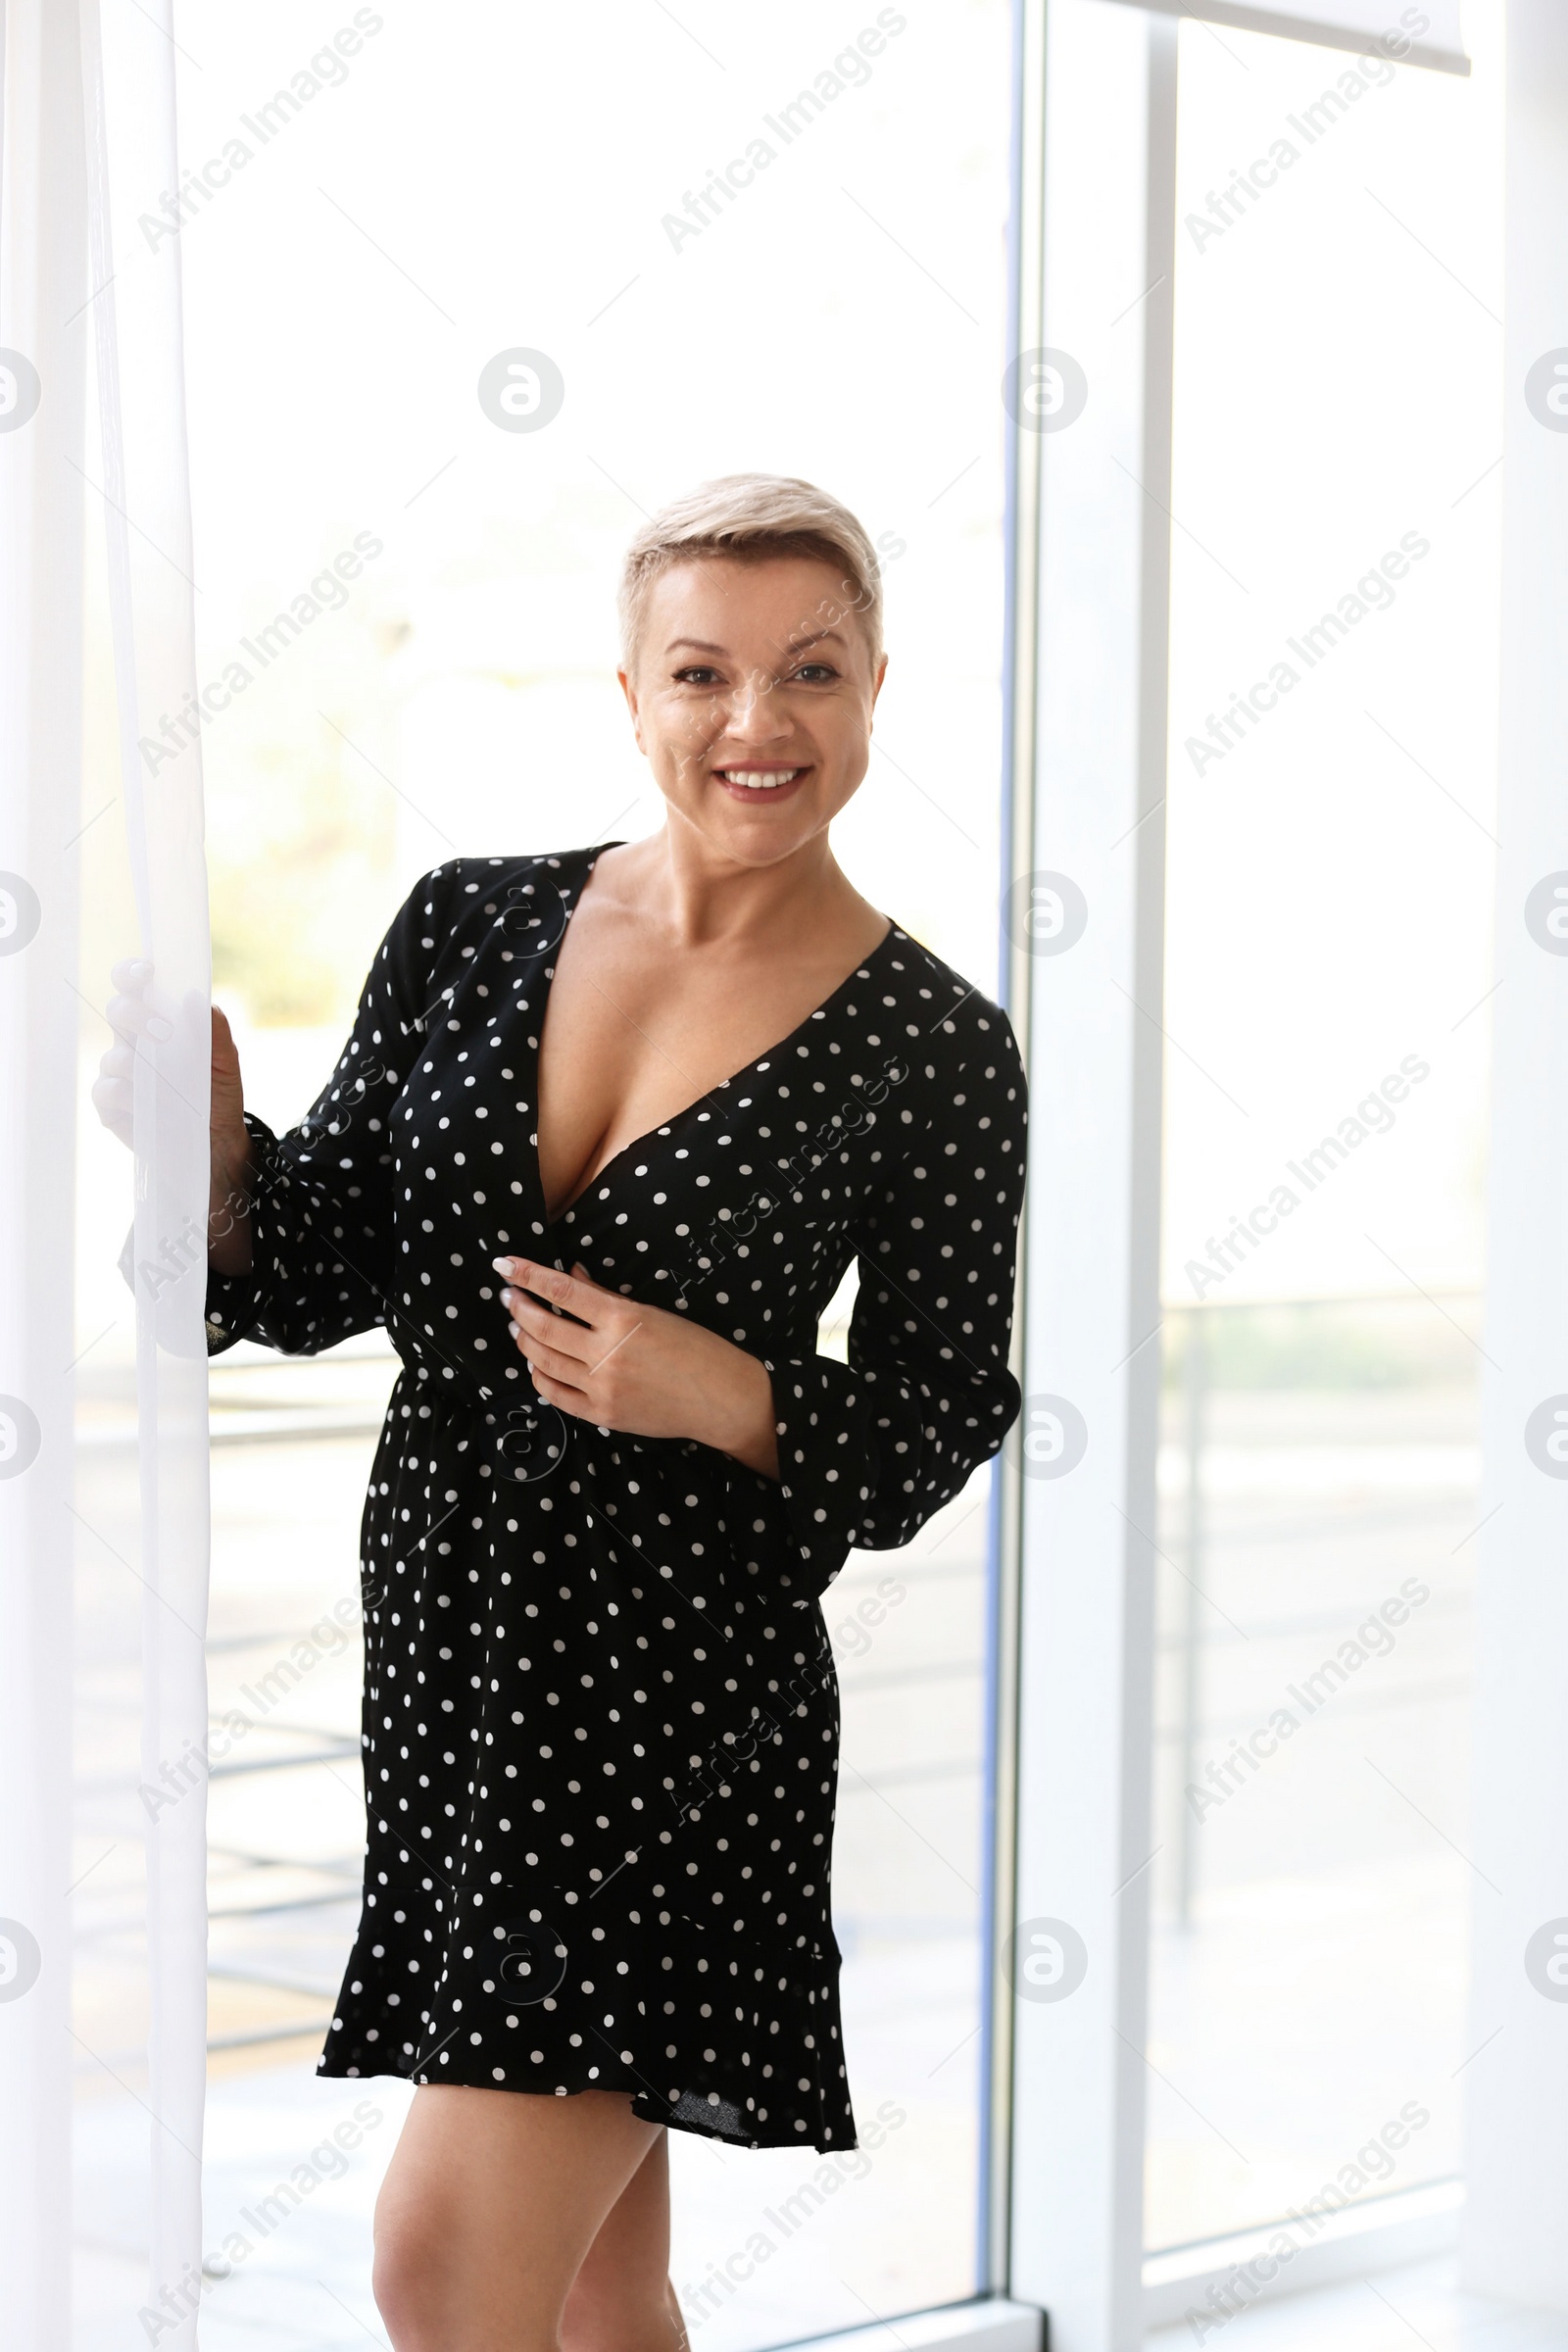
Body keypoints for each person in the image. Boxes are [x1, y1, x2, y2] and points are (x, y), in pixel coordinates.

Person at [97, 472, 1028, 2352]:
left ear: (872, 694)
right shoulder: (467, 922)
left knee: (442, 2267)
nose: (757, 723)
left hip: (681, 1704)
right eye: (704, 672)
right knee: (602, 2288)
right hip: (453, 1662)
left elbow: (937, 1418)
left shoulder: (936, 1045)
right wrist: (199, 1161)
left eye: (812, 672)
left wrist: (728, 1388)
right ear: (629, 694)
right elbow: (318, 1265)